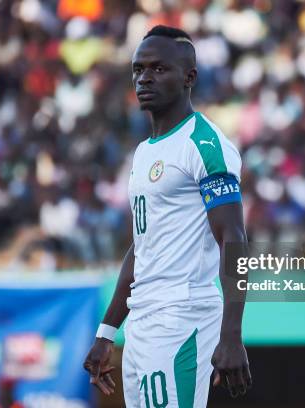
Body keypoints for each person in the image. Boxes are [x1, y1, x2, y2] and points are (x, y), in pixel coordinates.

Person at [83, 25, 251, 407]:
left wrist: (232, 334)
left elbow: (235, 239)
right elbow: (141, 249)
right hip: (142, 321)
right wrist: (107, 333)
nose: (144, 77)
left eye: (159, 69)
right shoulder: (144, 152)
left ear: (189, 77)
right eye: (138, 69)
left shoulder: (204, 143)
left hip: (183, 315)